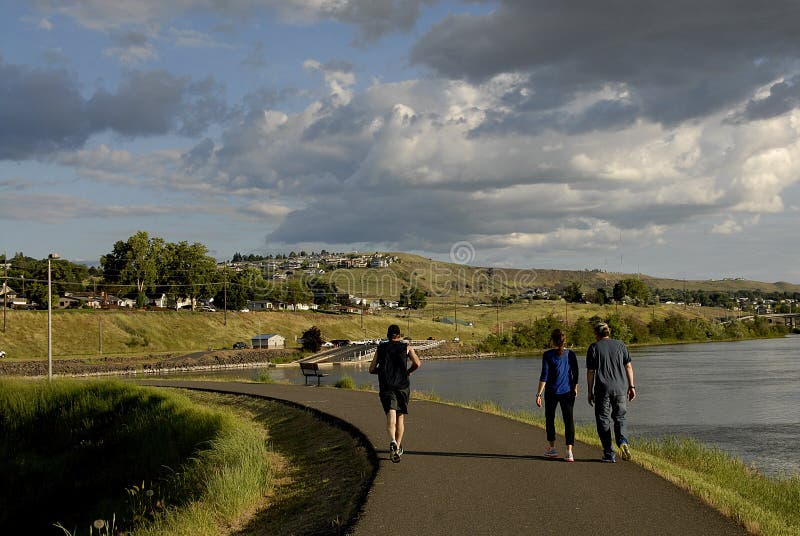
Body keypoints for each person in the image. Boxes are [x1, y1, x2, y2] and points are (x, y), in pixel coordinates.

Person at [369, 324, 421, 463]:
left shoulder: (381, 348)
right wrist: (408, 372)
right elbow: (417, 363)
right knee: (400, 417)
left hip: (386, 386)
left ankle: (392, 440)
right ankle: (397, 447)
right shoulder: (407, 347)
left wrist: (381, 371)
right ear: (399, 335)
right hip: (402, 386)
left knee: (390, 413)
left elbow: (371, 368)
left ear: (388, 335)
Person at [586, 322, 636, 463]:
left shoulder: (594, 347)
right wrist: (632, 386)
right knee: (620, 417)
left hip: (602, 389)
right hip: (620, 388)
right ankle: (623, 442)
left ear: (597, 334)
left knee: (603, 420)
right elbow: (628, 366)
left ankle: (609, 453)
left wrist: (589, 391)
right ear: (608, 332)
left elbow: (591, 371)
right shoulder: (620, 345)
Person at [536, 329, 579, 462]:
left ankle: (552, 448)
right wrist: (575, 388)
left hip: (551, 392)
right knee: (568, 420)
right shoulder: (570, 354)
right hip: (568, 391)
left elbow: (544, 376)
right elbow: (576, 373)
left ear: (553, 340)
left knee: (550, 419)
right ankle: (569, 451)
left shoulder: (547, 355)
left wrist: (538, 394)